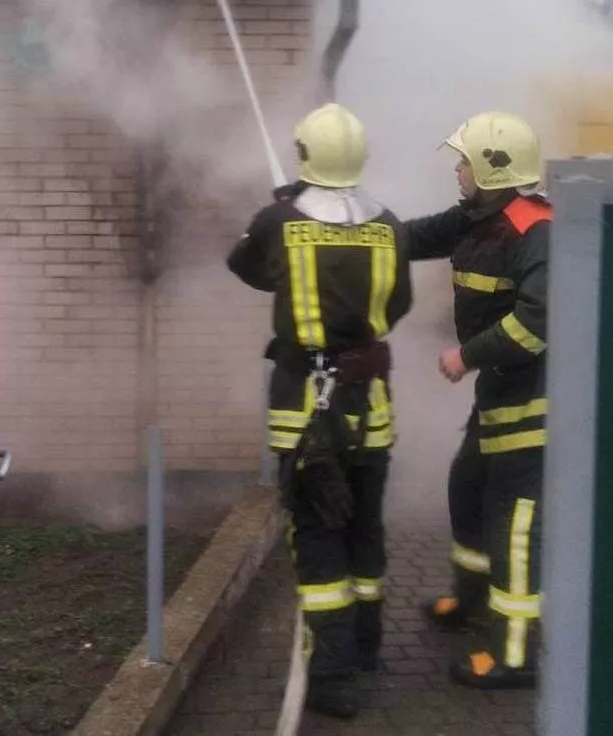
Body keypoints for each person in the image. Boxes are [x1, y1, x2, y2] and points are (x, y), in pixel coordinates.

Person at [226, 102, 412, 718]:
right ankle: (365, 649)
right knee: (365, 528)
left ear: (305, 156)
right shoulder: (391, 226)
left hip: (306, 414)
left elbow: (245, 268)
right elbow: (400, 304)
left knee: (317, 535)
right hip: (372, 409)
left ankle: (331, 678)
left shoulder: (279, 221)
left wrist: (284, 209)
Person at [405, 111, 550, 689]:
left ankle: (514, 655)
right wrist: (350, 225)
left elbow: (536, 324)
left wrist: (466, 356)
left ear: (492, 170)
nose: (457, 170)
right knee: (466, 486)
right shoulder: (475, 218)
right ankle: (469, 600)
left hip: (534, 404)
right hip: (499, 394)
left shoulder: (533, 231)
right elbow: (411, 237)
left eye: (464, 161)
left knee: (513, 523)